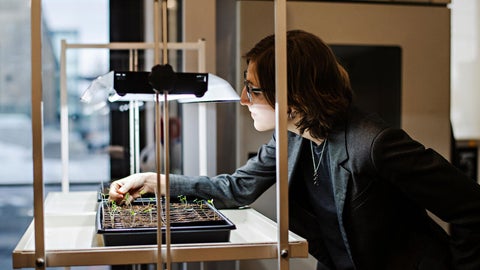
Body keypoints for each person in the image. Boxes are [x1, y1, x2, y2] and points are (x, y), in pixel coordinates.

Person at [109, 30, 480, 270]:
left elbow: (471, 209)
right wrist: (156, 182)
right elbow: (236, 188)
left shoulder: (375, 144)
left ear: (295, 93)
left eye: (253, 89)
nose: (243, 99)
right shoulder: (293, 135)